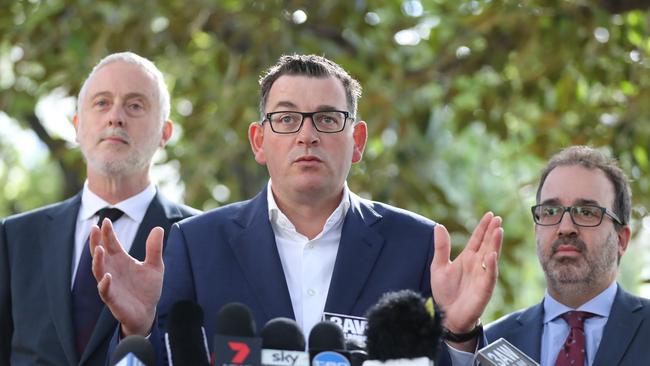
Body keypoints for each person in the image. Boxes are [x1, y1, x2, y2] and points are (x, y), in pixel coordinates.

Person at [94, 54, 503, 364]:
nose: (307, 135)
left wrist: (460, 334)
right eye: (287, 119)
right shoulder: (195, 243)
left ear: (357, 140)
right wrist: (139, 327)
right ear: (259, 140)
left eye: (327, 119)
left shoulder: (416, 245)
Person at [0, 52, 199, 366]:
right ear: (77, 126)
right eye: (102, 103)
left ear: (165, 133)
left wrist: (141, 331)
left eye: (135, 105)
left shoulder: (201, 239)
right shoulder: (14, 237)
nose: (115, 117)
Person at [485, 146, 650, 366]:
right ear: (537, 231)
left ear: (621, 239)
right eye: (551, 212)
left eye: (587, 212)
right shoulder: (492, 342)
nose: (565, 227)